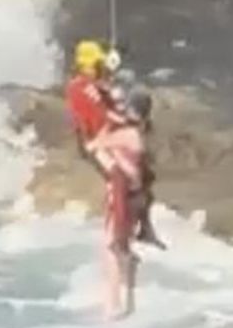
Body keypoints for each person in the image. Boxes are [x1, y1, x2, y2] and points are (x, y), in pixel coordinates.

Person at [65, 39, 165, 249]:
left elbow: (108, 78)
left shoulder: (92, 84)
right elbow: (104, 116)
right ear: (87, 66)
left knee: (145, 174)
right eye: (97, 65)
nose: (101, 68)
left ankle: (144, 227)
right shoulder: (80, 88)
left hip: (107, 135)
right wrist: (128, 121)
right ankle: (120, 239)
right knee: (118, 175)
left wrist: (116, 54)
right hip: (94, 142)